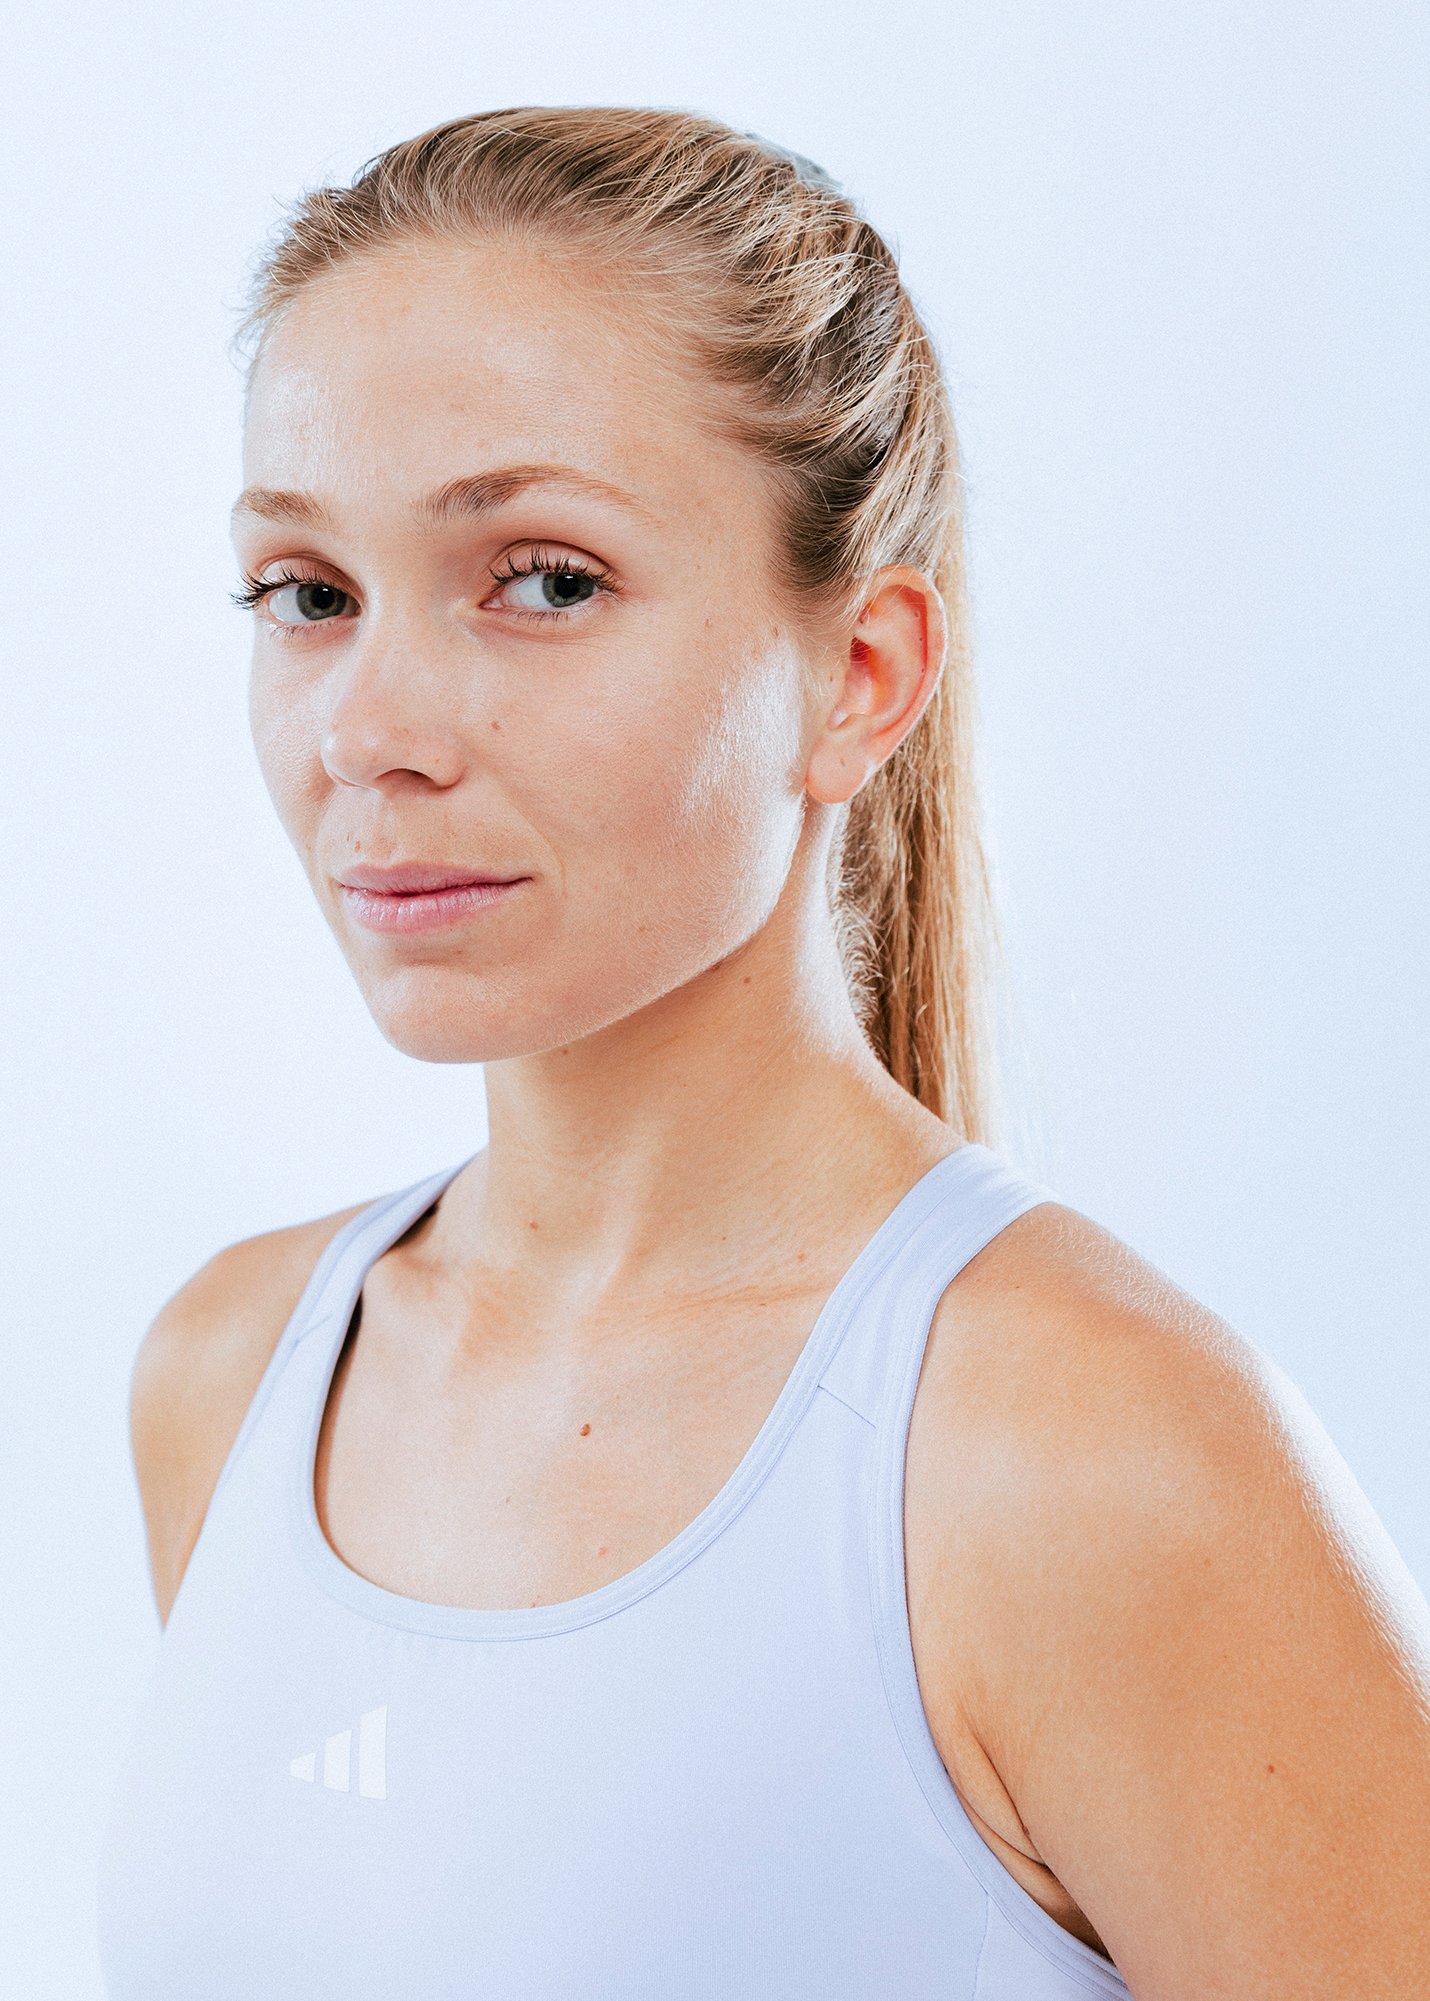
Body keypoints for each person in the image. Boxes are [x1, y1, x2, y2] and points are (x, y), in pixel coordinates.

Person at [98, 108, 1430, 1998]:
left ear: (861, 674)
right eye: (306, 593)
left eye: (542, 578)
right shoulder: (229, 1382)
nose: (368, 727)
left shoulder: (1089, 1459)